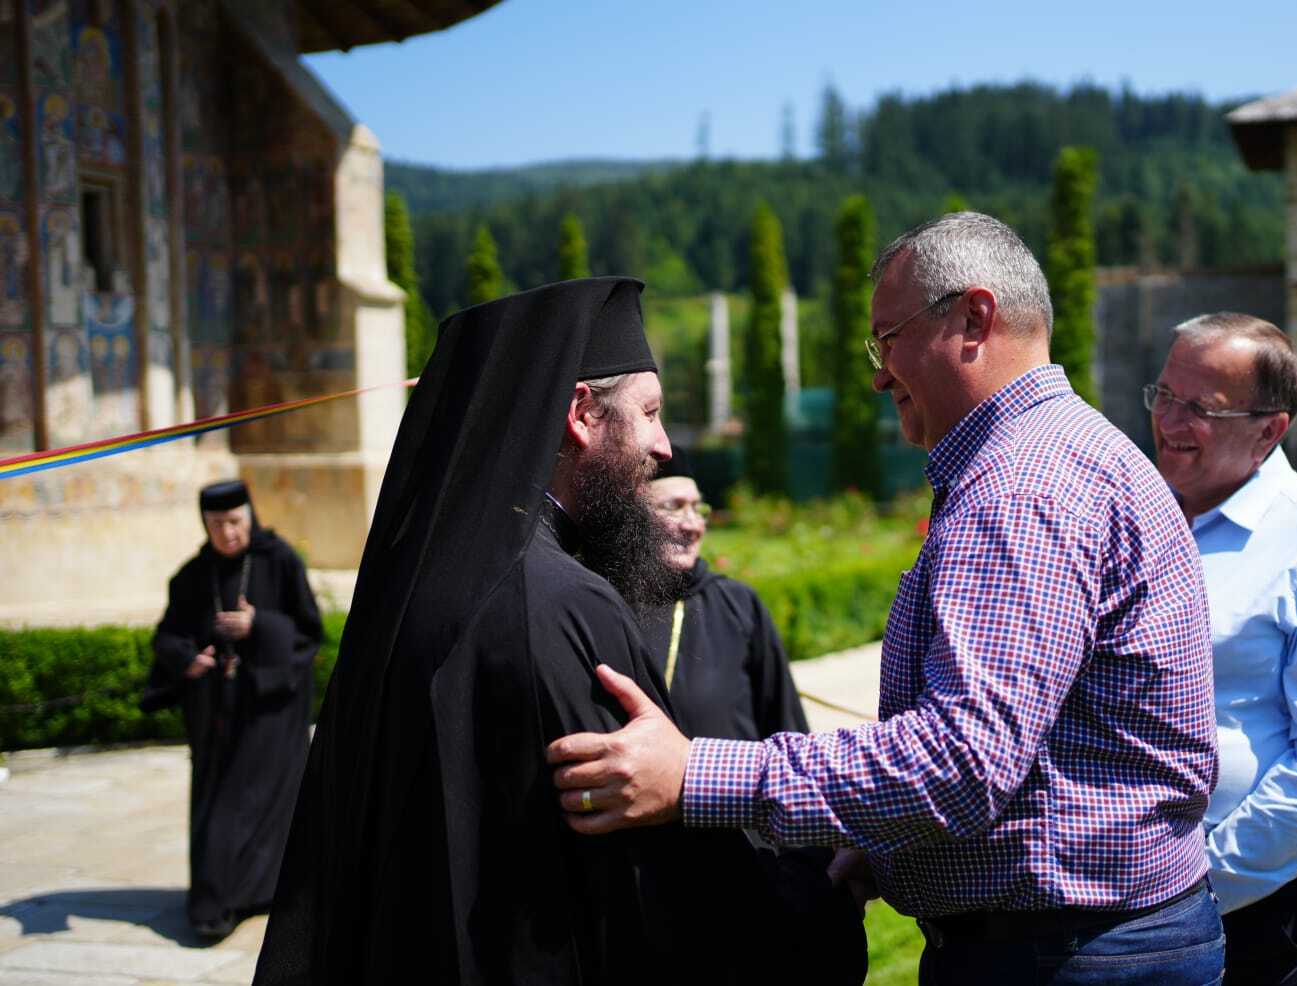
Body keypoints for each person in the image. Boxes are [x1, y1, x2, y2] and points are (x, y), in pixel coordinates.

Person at [548, 213, 1223, 985]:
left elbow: (963, 760)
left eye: (888, 339)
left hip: (1060, 955)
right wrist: (892, 843)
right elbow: (1044, 749)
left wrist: (696, 775)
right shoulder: (1061, 451)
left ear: (973, 318)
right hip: (1091, 938)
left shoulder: (1022, 487)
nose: (876, 374)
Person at [254, 277, 863, 986]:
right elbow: (664, 877)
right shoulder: (565, 603)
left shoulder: (422, 581)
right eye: (650, 413)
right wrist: (816, 905)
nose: (664, 446)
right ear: (581, 413)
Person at [1146, 312, 1297, 985]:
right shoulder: (1138, 515)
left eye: (1199, 407)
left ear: (1268, 430)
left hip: (1263, 899)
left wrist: (1198, 886)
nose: (1168, 421)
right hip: (1132, 905)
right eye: (1163, 394)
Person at [140, 479, 322, 940]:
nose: (227, 533)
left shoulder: (279, 561)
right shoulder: (192, 576)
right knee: (221, 806)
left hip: (271, 710)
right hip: (217, 711)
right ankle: (215, 902)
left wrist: (258, 624)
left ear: (251, 516)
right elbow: (167, 637)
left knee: (267, 804)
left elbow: (308, 633)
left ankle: (260, 892)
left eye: (235, 522)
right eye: (216, 524)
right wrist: (189, 659)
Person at [639, 448, 808, 741]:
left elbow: (788, 728)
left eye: (698, 509)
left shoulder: (739, 605)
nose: (692, 524)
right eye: (673, 506)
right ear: (634, 514)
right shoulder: (603, 601)